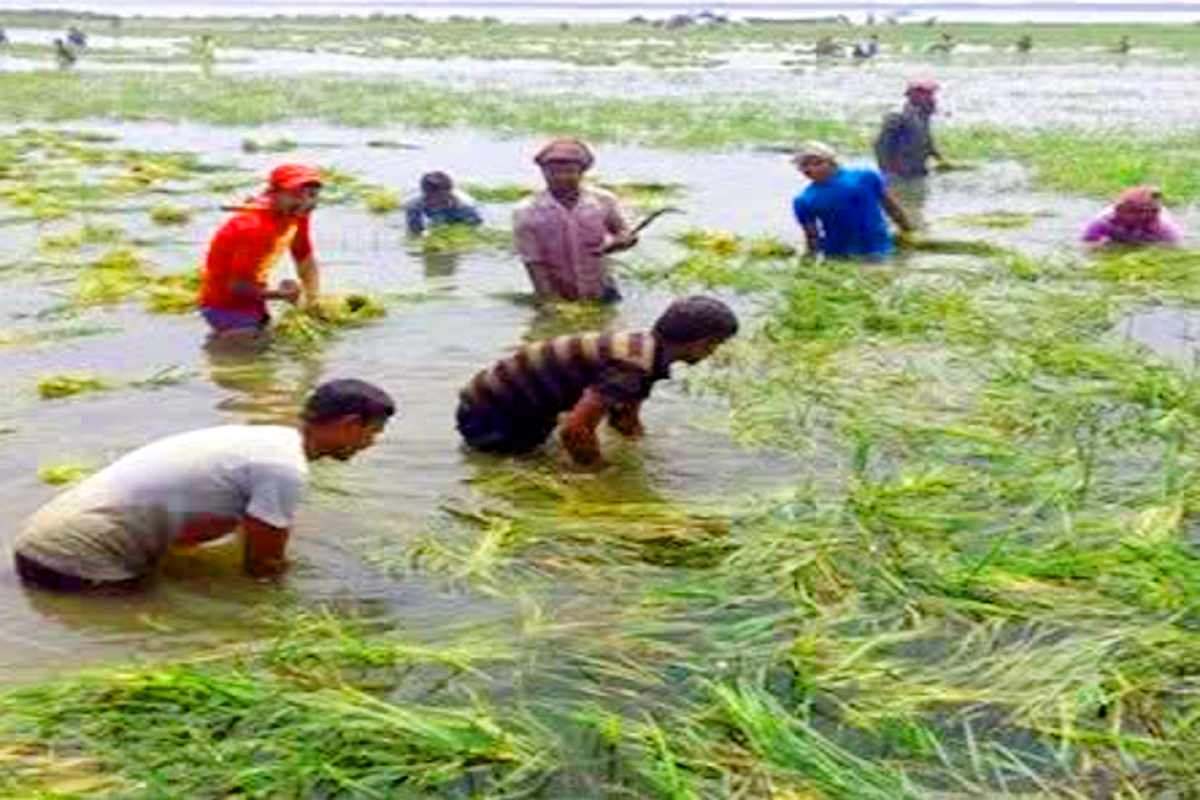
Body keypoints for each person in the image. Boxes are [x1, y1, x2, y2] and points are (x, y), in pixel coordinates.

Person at [11, 379, 396, 591]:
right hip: (75, 561)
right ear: (348, 425)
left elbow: (218, 530)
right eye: (373, 432)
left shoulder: (264, 440)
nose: (372, 443)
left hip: (41, 537)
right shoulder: (285, 469)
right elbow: (262, 568)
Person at [456, 295, 738, 466]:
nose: (713, 353)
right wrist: (600, 477)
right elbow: (573, 431)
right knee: (530, 467)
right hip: (492, 417)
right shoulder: (633, 366)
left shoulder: (644, 348)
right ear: (701, 343)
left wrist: (641, 454)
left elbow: (624, 418)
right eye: (716, 345)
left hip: (509, 402)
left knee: (552, 455)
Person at [198, 163, 324, 338]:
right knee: (243, 356)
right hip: (225, 306)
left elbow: (304, 257)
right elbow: (237, 287)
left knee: (263, 336)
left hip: (253, 299)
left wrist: (312, 300)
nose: (306, 202)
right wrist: (281, 295)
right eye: (295, 194)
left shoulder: (296, 215)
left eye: (312, 195)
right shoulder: (255, 229)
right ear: (273, 194)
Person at [512, 137, 637, 303]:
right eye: (553, 172)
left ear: (582, 172)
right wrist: (551, 303)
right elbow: (533, 263)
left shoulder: (603, 200)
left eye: (569, 171)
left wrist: (623, 240)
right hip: (560, 296)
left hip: (603, 291)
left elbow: (625, 232)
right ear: (543, 172)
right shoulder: (526, 211)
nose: (561, 177)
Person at [792, 141, 914, 260]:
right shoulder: (804, 200)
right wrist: (808, 260)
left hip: (879, 248)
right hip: (838, 256)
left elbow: (891, 208)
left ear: (832, 161)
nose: (811, 169)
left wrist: (908, 231)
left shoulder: (865, 177)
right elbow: (812, 238)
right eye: (804, 165)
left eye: (817, 163)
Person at [875, 79, 946, 179]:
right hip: (900, 173)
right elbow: (881, 145)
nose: (932, 98)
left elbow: (927, 141)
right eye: (927, 94)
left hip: (918, 170)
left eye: (931, 94)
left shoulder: (923, 115)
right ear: (913, 94)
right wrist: (888, 172)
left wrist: (940, 159)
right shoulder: (898, 116)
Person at [1081, 187, 1184, 251]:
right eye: (1136, 212)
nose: (1143, 216)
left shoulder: (1164, 227)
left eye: (1148, 212)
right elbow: (1087, 242)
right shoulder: (1103, 221)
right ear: (1120, 210)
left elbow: (1172, 247)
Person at [404, 171, 483, 236]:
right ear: (425, 192)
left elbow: (476, 225)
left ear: (449, 192)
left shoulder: (465, 205)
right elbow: (415, 232)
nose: (434, 200)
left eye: (439, 196)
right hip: (432, 214)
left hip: (456, 212)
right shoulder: (414, 206)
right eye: (430, 196)